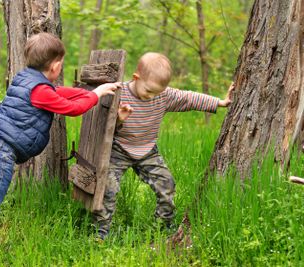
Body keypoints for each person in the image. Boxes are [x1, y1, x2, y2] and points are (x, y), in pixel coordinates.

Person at [0, 32, 120, 262]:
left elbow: (61, 93)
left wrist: (91, 91)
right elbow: (72, 108)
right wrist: (95, 95)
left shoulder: (26, 81)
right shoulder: (40, 90)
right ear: (55, 66)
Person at [93, 52, 234, 240]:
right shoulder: (120, 92)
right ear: (136, 78)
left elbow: (189, 98)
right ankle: (100, 232)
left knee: (167, 184)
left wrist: (220, 102)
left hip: (147, 149)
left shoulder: (163, 96)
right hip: (119, 148)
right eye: (149, 91)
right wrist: (118, 119)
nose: (152, 97)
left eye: (157, 93)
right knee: (108, 187)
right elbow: (103, 124)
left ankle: (163, 226)